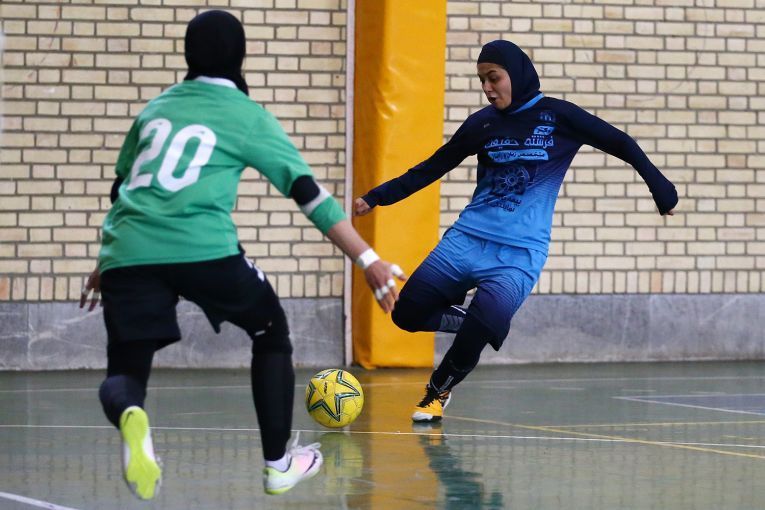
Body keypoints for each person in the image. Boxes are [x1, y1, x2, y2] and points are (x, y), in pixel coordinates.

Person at [79, 10, 405, 500]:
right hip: (202, 247)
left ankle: (131, 414)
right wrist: (367, 260)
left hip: (127, 251)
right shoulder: (246, 115)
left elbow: (123, 190)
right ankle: (278, 464)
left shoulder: (155, 109)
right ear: (241, 56)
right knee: (270, 330)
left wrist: (106, 262)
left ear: (188, 54)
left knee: (125, 373)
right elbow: (308, 194)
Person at [354, 40, 677, 423]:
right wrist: (377, 196)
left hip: (520, 254)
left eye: (494, 78)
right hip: (467, 239)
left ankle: (437, 391)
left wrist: (660, 188)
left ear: (517, 74)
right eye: (482, 81)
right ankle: (474, 322)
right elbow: (433, 167)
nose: (488, 88)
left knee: (480, 331)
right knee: (407, 314)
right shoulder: (482, 123)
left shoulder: (559, 116)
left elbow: (620, 142)